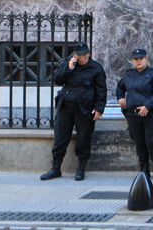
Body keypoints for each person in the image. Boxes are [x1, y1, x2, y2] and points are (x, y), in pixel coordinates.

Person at [41, 42, 106, 182]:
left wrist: (99, 109)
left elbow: (101, 91)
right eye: (79, 55)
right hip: (65, 107)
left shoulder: (96, 68)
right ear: (74, 55)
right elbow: (57, 79)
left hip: (85, 109)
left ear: (89, 53)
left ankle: (81, 168)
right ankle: (55, 168)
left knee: (83, 139)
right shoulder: (67, 64)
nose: (82, 57)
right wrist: (69, 68)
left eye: (84, 54)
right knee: (60, 139)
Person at [117, 47, 153, 181]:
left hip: (151, 115)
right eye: (136, 59)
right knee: (139, 142)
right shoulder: (129, 75)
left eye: (141, 59)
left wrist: (147, 106)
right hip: (133, 115)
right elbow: (119, 87)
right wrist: (121, 97)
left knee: (152, 141)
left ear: (146, 59)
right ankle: (144, 169)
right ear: (132, 60)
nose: (138, 61)